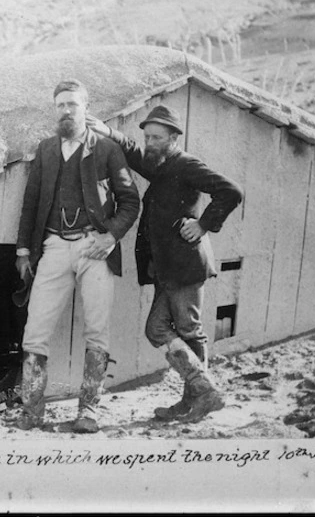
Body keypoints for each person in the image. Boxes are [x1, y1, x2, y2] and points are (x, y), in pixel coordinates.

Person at [87, 105, 243, 423]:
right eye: (147, 136)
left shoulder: (185, 164)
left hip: (186, 264)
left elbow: (231, 191)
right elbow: (135, 154)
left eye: (157, 137)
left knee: (188, 330)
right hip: (169, 267)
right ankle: (198, 394)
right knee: (157, 328)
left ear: (173, 138)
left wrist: (203, 225)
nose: (150, 142)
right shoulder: (161, 165)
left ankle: (201, 396)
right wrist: (109, 133)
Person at [14, 79, 140, 433]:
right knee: (35, 331)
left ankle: (89, 411)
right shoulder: (46, 150)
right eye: (60, 105)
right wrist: (24, 250)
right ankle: (32, 412)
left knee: (97, 331)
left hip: (93, 248)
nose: (66, 111)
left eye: (72, 104)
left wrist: (110, 236)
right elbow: (31, 203)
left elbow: (131, 202)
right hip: (53, 247)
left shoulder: (107, 149)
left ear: (86, 107)